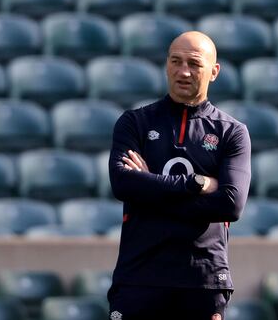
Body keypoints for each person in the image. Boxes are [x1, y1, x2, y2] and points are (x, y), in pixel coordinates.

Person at [107, 31, 251, 320]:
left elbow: (230, 204)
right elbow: (123, 183)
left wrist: (149, 187)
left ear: (214, 71)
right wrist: (196, 184)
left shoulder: (232, 132)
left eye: (194, 64)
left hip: (202, 278)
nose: (183, 71)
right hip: (140, 275)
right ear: (166, 65)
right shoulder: (134, 122)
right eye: (176, 61)